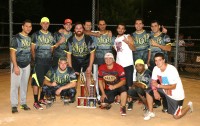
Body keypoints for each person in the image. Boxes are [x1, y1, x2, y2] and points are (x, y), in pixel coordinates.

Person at [144, 53, 193, 120]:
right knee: (149, 90)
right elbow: (153, 81)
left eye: (159, 60)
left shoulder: (171, 70)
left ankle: (189, 106)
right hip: (165, 91)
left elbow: (173, 87)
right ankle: (151, 112)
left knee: (176, 116)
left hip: (176, 95)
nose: (157, 62)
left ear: (164, 60)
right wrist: (155, 91)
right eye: (156, 60)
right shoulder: (156, 68)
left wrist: (158, 85)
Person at [31, 17, 54, 110]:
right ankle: (35, 102)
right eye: (43, 23)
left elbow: (52, 49)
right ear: (40, 24)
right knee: (36, 81)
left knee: (46, 80)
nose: (45, 25)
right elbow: (32, 49)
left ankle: (41, 99)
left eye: (47, 23)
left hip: (48, 62)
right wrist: (35, 60)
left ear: (49, 24)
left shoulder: (51, 35)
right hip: (39, 62)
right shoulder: (36, 34)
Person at [10, 19, 32, 113]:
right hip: (17, 64)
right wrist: (15, 66)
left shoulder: (29, 38)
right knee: (15, 85)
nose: (28, 28)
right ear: (22, 27)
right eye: (26, 26)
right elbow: (12, 53)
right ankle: (14, 105)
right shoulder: (16, 38)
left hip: (27, 64)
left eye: (30, 26)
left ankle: (23, 103)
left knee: (24, 85)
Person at [67, 22, 95, 95]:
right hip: (75, 60)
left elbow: (92, 53)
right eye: (77, 28)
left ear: (83, 29)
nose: (78, 30)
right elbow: (68, 55)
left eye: (80, 28)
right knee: (73, 77)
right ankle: (72, 95)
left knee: (88, 75)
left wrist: (90, 66)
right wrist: (70, 67)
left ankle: (90, 96)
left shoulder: (88, 39)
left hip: (86, 59)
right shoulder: (70, 40)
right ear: (74, 30)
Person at [148, 20, 171, 109]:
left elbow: (169, 48)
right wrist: (149, 60)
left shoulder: (165, 36)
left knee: (164, 82)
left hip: (162, 65)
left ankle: (166, 103)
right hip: (153, 64)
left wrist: (157, 45)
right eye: (152, 26)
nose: (154, 27)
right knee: (153, 82)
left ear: (159, 26)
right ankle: (157, 101)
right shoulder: (150, 37)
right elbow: (150, 49)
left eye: (155, 25)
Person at [114, 23, 135, 104]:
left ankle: (130, 101)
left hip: (128, 64)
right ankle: (123, 99)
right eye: (119, 28)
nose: (120, 30)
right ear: (117, 29)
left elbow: (133, 48)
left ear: (125, 30)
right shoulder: (116, 39)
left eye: (122, 28)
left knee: (129, 84)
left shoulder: (128, 36)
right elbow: (118, 51)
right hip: (119, 65)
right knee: (121, 83)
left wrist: (128, 43)